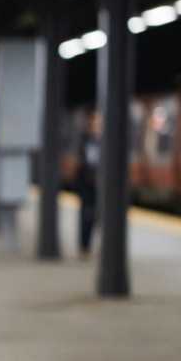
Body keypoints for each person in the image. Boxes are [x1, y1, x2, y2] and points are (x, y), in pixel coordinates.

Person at [75, 109, 101, 257]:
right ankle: (83, 245)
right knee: (86, 214)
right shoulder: (84, 139)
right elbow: (81, 160)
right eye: (95, 121)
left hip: (97, 183)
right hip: (85, 182)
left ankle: (89, 244)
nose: (97, 124)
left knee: (95, 215)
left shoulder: (102, 140)